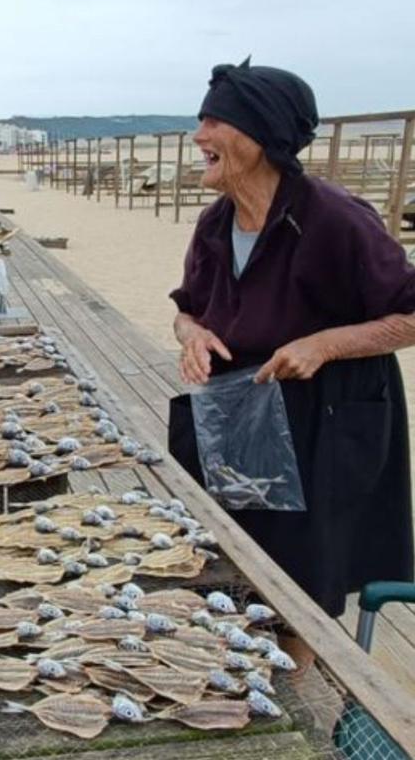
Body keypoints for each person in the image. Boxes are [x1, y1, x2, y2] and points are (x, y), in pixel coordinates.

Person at [167, 59, 415, 660]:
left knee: (304, 577)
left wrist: (323, 343)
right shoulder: (214, 221)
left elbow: (409, 315)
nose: (199, 136)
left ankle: (295, 685)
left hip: (324, 414)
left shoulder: (335, 218)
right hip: (239, 405)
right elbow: (186, 310)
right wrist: (192, 336)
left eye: (215, 120)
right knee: (232, 557)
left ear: (262, 135)